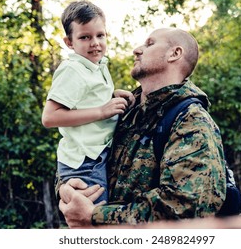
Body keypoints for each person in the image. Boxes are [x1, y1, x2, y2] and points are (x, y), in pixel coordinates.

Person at [57, 27, 227, 227]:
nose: (136, 50)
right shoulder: (123, 110)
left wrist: (95, 215)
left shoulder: (191, 122)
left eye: (150, 44)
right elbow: (76, 152)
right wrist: (66, 189)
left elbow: (186, 208)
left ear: (175, 53)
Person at [42, 0, 134, 204]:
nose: (95, 43)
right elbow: (49, 117)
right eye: (85, 37)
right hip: (83, 162)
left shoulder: (97, 65)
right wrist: (102, 110)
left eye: (100, 35)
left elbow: (84, 99)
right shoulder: (72, 69)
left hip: (99, 155)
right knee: (92, 219)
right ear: (69, 42)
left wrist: (111, 95)